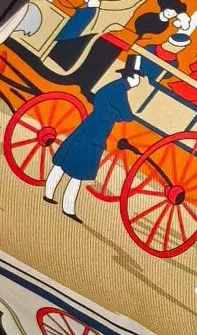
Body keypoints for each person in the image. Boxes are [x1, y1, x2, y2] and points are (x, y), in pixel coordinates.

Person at [43, 49, 147, 222]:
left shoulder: (113, 86)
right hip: (97, 133)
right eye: (137, 76)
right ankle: (68, 208)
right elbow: (126, 114)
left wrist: (113, 114)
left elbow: (104, 103)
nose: (138, 81)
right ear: (132, 76)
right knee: (79, 171)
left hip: (88, 126)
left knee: (64, 160)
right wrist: (119, 115)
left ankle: (48, 194)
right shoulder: (120, 90)